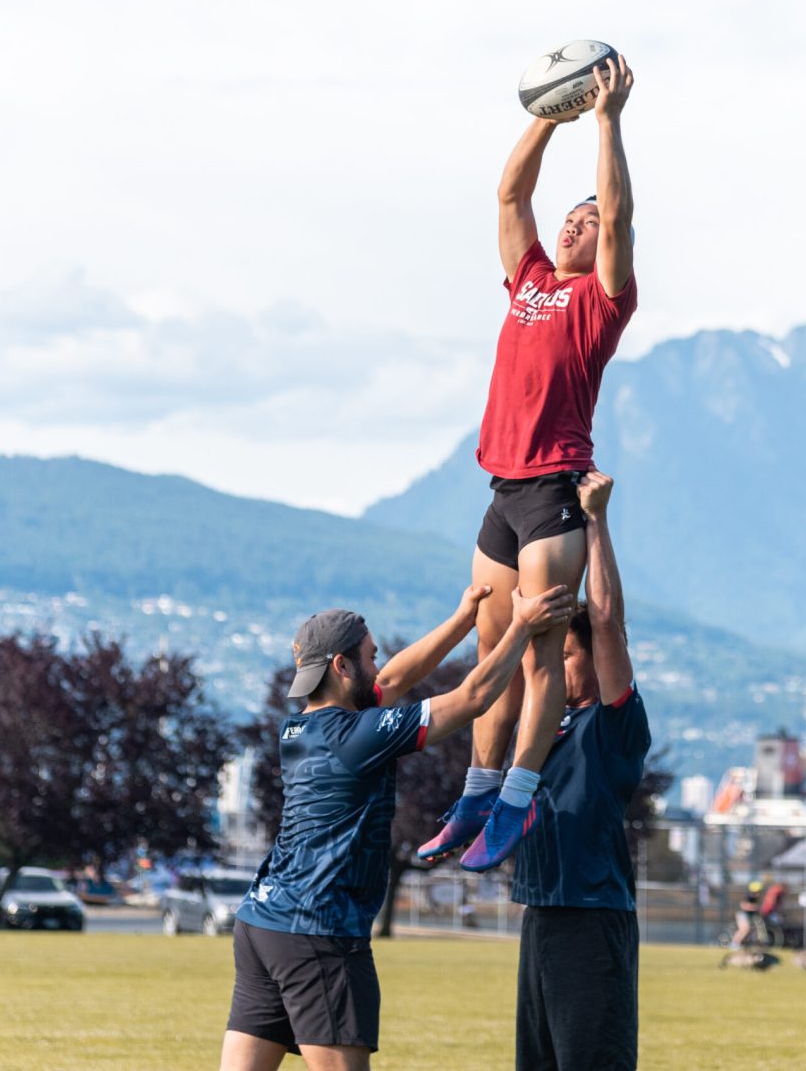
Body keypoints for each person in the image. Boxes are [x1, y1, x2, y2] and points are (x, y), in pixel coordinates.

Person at [420, 55, 639, 873]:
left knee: (544, 649)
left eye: (585, 219)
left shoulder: (601, 301)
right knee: (493, 650)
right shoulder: (530, 279)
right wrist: (552, 112)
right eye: (571, 218)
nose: (576, 222)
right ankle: (478, 789)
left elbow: (616, 219)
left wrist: (607, 121)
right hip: (502, 490)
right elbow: (511, 195)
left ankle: (516, 799)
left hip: (553, 488)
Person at [219, 581, 575, 1071]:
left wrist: (464, 619)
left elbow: (395, 679)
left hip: (261, 923)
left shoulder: (298, 728)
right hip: (318, 931)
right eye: (370, 656)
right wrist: (522, 626)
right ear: (342, 667)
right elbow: (473, 697)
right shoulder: (357, 736)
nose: (378, 664)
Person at [510, 469, 651, 1071]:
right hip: (541, 917)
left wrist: (595, 518)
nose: (556, 668)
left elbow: (607, 622)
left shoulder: (611, 725)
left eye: (566, 655)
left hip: (592, 920)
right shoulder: (546, 727)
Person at [731, 881, 763, 948]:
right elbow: (743, 906)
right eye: (759, 891)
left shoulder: (756, 898)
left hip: (748, 916)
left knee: (752, 930)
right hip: (742, 915)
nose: (760, 893)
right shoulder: (749, 896)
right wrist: (754, 908)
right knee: (744, 929)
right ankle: (734, 944)